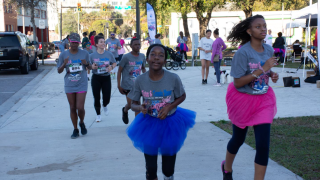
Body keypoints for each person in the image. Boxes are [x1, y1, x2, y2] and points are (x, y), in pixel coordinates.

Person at [126, 44, 196, 180]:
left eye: (161, 55)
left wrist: (170, 106)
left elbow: (182, 96)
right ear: (147, 58)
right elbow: (133, 104)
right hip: (148, 125)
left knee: (168, 170)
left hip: (170, 124)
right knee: (151, 169)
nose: (156, 58)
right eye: (153, 54)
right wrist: (141, 108)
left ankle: (168, 176)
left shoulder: (173, 78)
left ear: (165, 60)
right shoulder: (140, 80)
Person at [222, 15, 279, 180]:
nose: (263, 29)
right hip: (242, 99)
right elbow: (238, 82)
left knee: (263, 145)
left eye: (264, 26)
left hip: (264, 100)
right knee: (238, 140)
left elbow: (267, 71)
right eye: (258, 27)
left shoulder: (269, 49)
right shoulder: (243, 53)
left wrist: (272, 74)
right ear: (249, 31)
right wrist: (262, 69)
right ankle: (227, 168)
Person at [57, 33, 97, 139]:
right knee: (72, 107)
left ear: (79, 43)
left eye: (76, 43)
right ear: (69, 42)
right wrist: (64, 63)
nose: (74, 45)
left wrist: (86, 64)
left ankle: (82, 122)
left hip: (81, 83)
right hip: (69, 84)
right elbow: (59, 71)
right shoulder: (64, 55)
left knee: (80, 107)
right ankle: (75, 129)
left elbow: (90, 67)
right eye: (72, 42)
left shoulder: (84, 53)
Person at [117, 38, 146, 124]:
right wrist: (119, 85)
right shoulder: (126, 57)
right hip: (127, 85)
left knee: (137, 105)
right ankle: (125, 110)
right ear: (131, 46)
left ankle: (138, 125)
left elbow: (143, 68)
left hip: (138, 85)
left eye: (139, 44)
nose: (137, 46)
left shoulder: (142, 56)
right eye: (135, 45)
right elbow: (119, 70)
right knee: (131, 104)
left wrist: (147, 79)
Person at [89, 35, 117, 122]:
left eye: (104, 42)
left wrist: (111, 67)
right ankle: (98, 115)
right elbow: (89, 66)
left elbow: (114, 63)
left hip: (106, 77)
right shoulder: (92, 55)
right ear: (96, 44)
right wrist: (92, 67)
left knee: (107, 97)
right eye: (101, 42)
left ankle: (105, 105)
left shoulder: (109, 54)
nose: (103, 44)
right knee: (96, 97)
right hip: (96, 78)